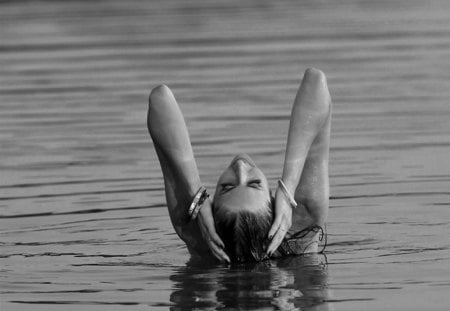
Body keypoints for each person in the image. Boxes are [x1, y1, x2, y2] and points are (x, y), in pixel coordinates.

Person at [147, 68, 331, 263]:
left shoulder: (201, 239)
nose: (240, 168)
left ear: (212, 206)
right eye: (253, 183)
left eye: (227, 187)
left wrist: (197, 198)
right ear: (274, 204)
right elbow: (315, 82)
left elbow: (160, 98)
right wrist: (288, 190)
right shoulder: (301, 231)